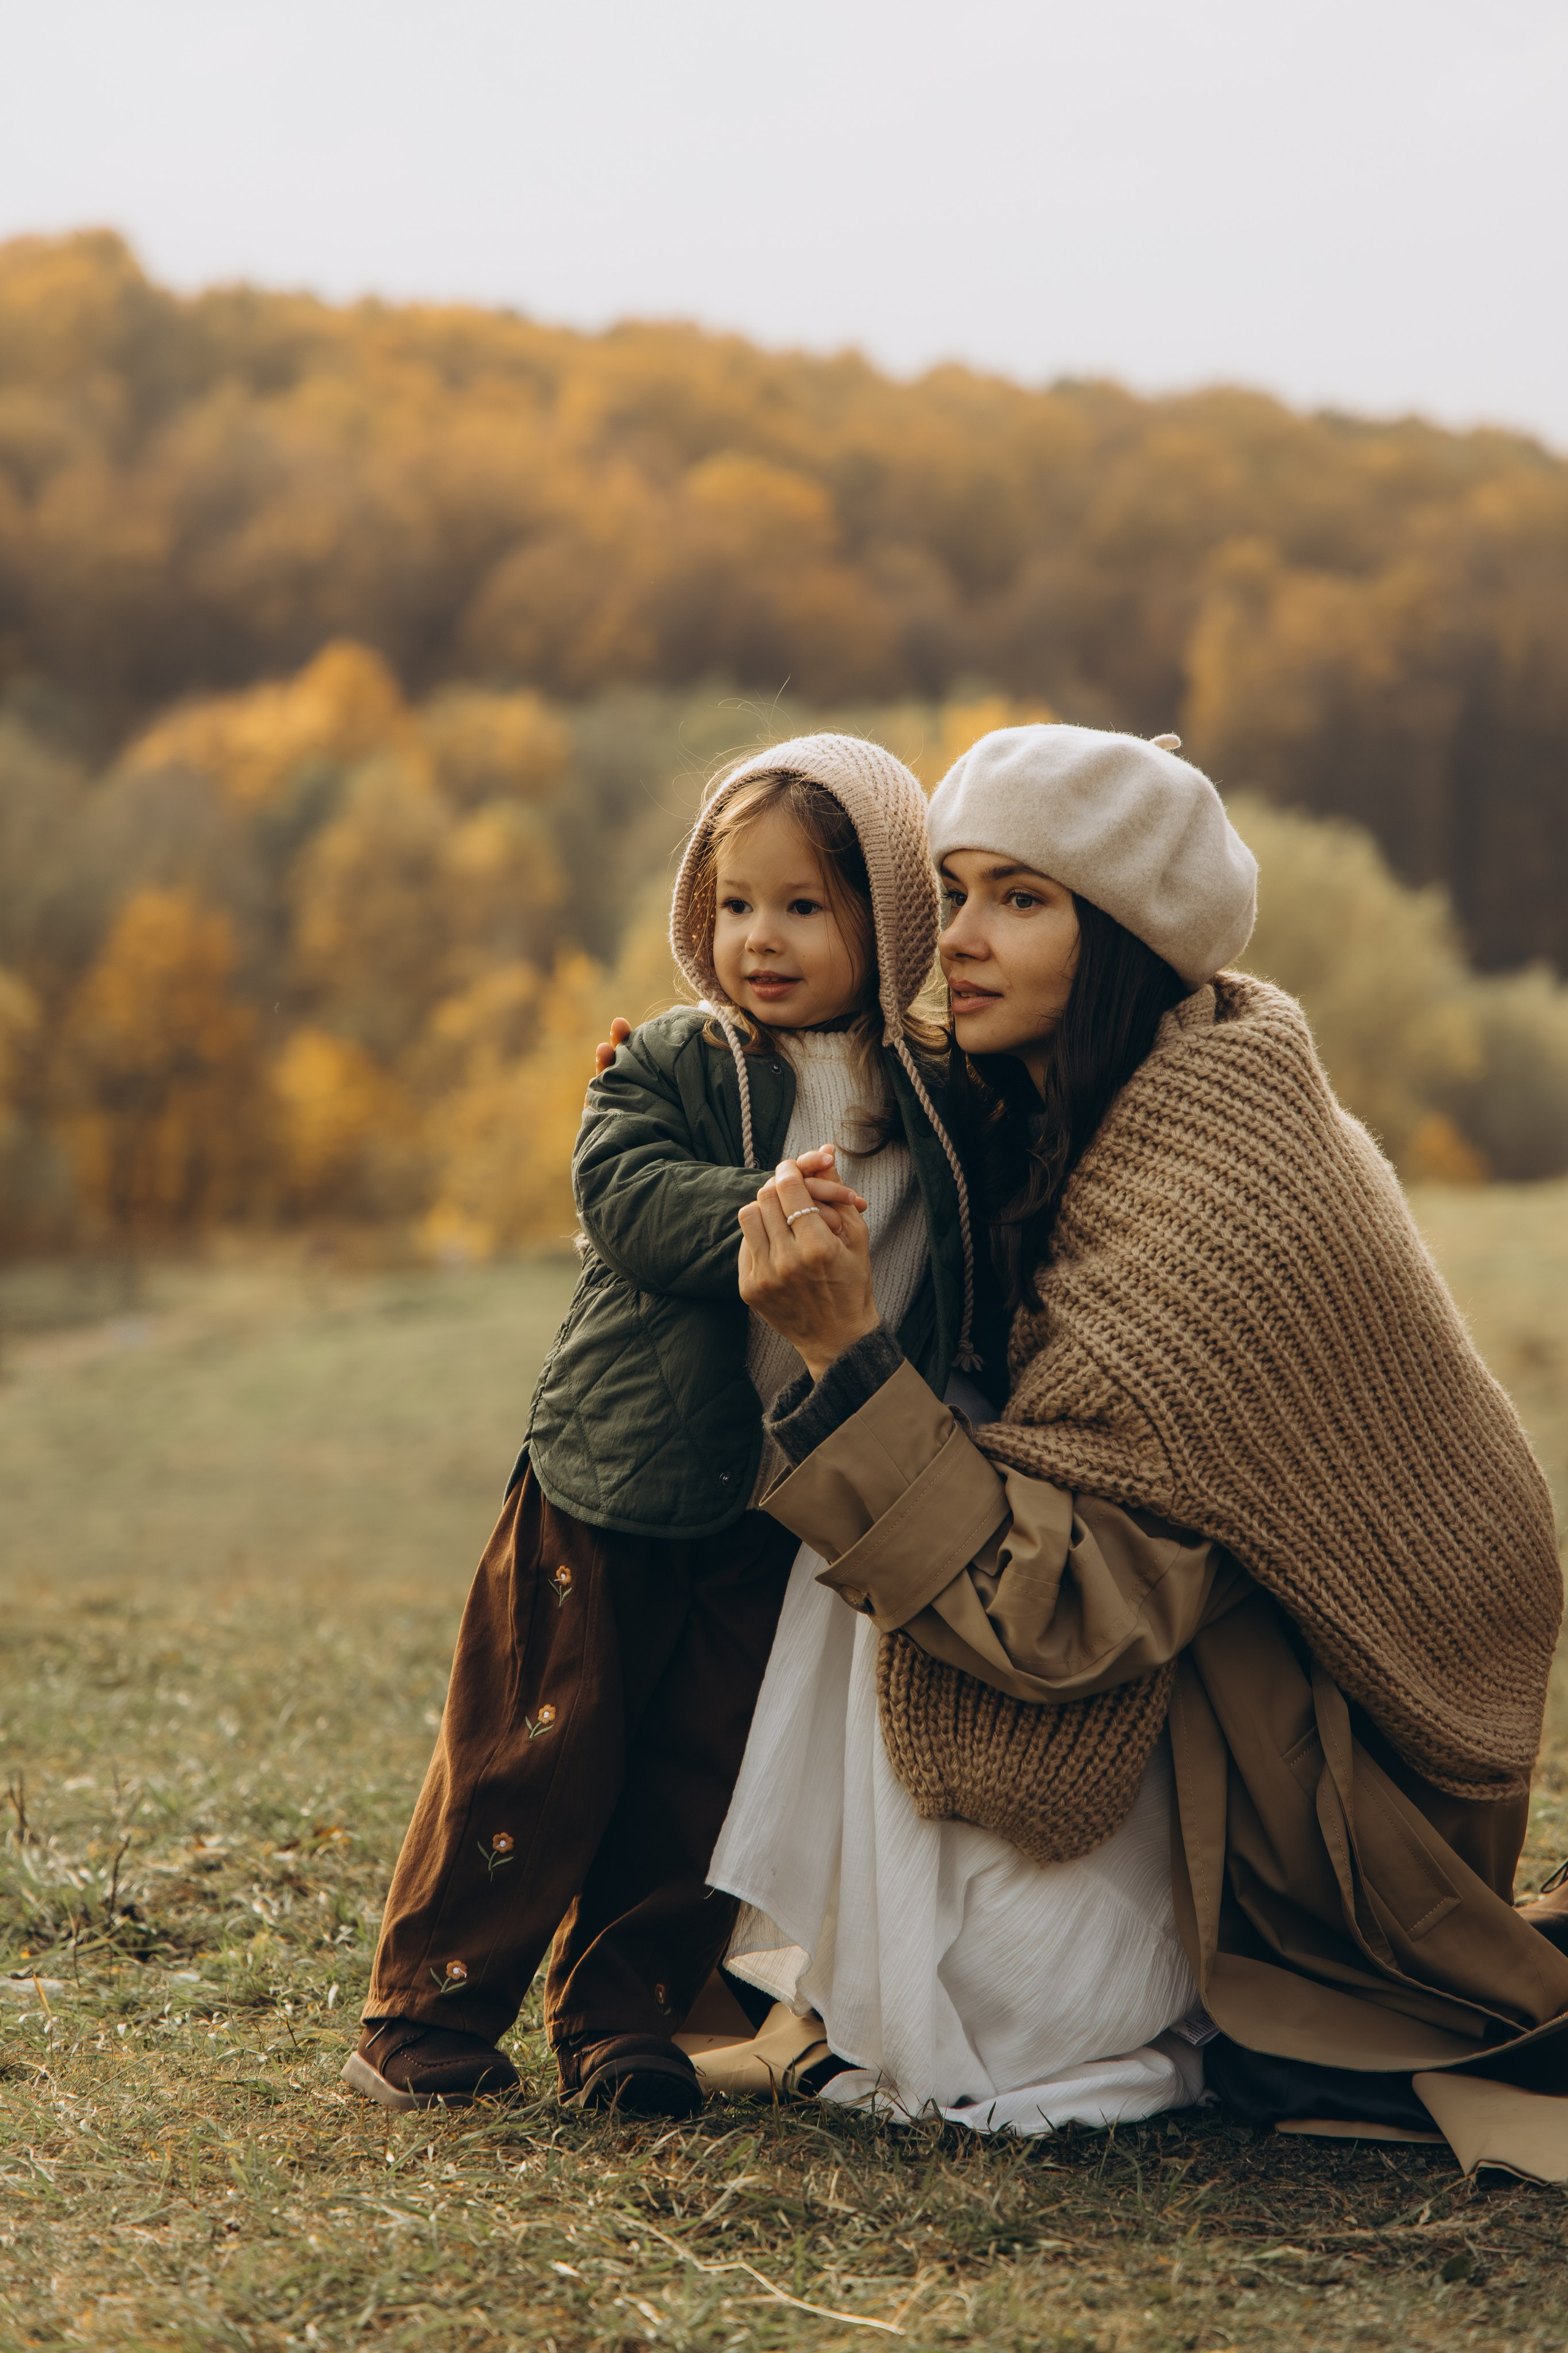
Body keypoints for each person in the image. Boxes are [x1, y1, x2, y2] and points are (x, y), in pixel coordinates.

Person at [705, 723, 1568, 2180]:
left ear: (1121, 937)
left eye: (1020, 900)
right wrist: (689, 1066)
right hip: (1232, 1705)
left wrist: (848, 1357)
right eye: (956, 890)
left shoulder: (1211, 1197)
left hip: (1333, 1821)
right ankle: (879, 1972)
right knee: (898, 1467)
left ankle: (1070, 2014)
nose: (959, 940)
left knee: (889, 1453)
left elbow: (1059, 1620)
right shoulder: (1153, 1082)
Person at [345, 733, 1001, 2115]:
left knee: (701, 1774)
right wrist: (758, 1218)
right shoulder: (676, 1057)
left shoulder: (934, 1102)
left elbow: (948, 1274)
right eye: (733, 901)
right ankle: (431, 2012)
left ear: (887, 921)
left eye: (803, 906)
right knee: (538, 1744)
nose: (757, 936)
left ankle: (625, 2017)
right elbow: (623, 1194)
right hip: (615, 1472)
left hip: (774, 1508)